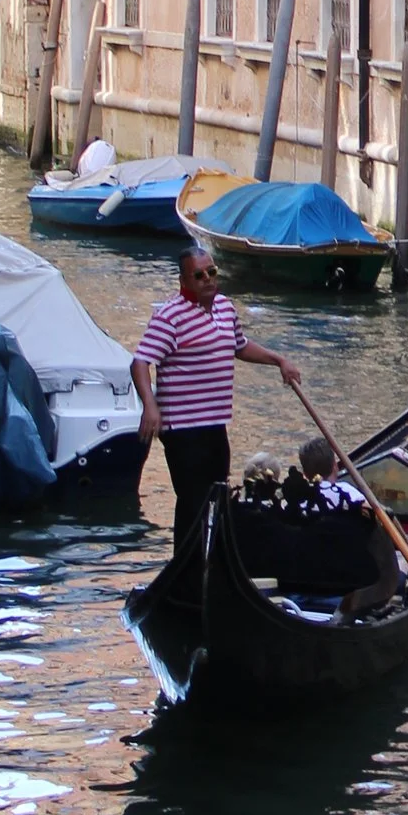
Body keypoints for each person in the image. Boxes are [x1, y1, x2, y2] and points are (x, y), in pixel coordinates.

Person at [132, 247, 298, 580]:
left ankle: (212, 569)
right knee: (193, 503)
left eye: (212, 272)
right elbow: (140, 362)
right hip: (181, 427)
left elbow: (239, 345)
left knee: (217, 500)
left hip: (215, 423)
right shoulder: (170, 316)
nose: (208, 279)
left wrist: (278, 360)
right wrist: (150, 405)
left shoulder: (224, 307)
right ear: (184, 280)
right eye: (199, 275)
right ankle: (187, 573)